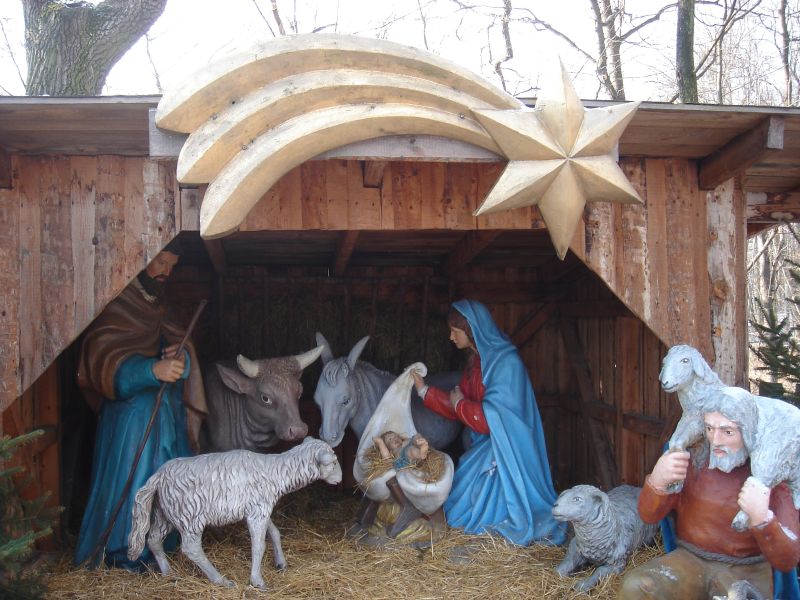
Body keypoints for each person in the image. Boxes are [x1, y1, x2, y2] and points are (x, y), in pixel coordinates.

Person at [73, 240, 208, 569]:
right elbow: (101, 360)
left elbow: (179, 348)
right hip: (131, 423)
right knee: (133, 484)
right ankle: (125, 553)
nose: (166, 271)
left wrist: (180, 360)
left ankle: (166, 547)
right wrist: (149, 370)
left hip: (165, 417)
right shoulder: (116, 305)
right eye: (161, 261)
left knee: (168, 483)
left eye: (172, 265)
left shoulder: (159, 306)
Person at [411, 299, 565, 546]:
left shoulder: (506, 363)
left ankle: (501, 519)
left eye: (455, 331)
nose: (451, 337)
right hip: (488, 442)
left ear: (472, 330)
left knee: (471, 479)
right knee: (463, 479)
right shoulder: (477, 362)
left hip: (510, 446)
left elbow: (490, 418)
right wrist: (424, 391)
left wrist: (461, 404)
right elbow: (459, 402)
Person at [618, 392, 800, 599]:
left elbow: (788, 559)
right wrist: (657, 482)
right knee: (635, 587)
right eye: (709, 429)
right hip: (690, 560)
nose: (715, 440)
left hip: (748, 569)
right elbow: (649, 515)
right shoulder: (693, 460)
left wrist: (762, 519)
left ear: (748, 431)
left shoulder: (771, 476)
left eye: (727, 431)